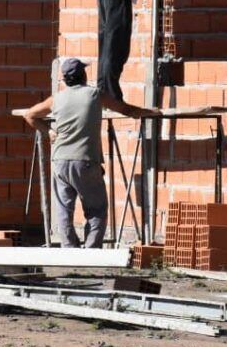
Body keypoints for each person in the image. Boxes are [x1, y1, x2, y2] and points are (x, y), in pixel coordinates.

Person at [23, 58, 160, 248]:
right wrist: (150, 112)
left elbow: (29, 115)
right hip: (85, 160)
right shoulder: (95, 95)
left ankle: (69, 251)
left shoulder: (56, 99)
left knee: (64, 209)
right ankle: (91, 251)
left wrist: (49, 132)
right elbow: (126, 109)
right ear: (83, 75)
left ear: (64, 79)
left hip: (60, 161)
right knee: (96, 209)